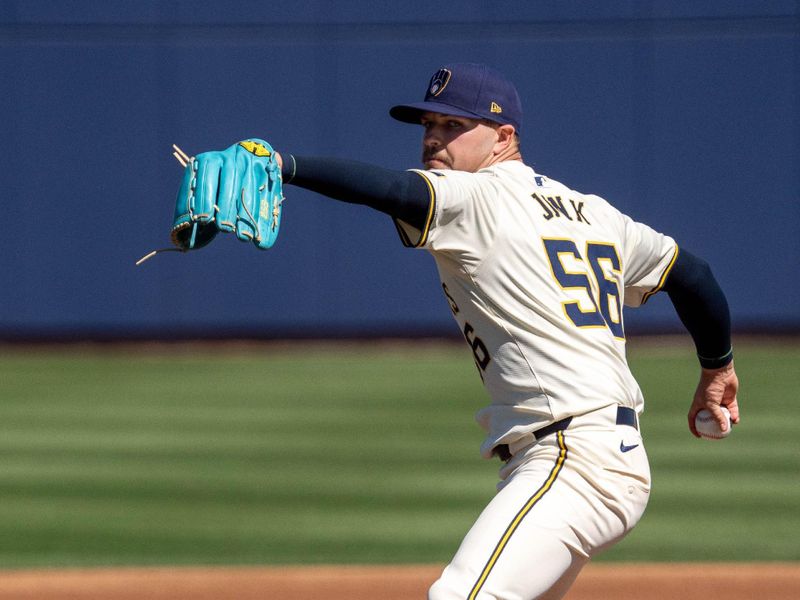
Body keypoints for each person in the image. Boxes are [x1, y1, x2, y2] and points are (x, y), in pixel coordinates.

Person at [190, 63, 741, 599]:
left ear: (504, 137)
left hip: (575, 460)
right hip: (588, 455)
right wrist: (718, 367)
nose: (434, 139)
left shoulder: (478, 197)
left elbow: (394, 191)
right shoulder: (597, 213)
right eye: (428, 125)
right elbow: (694, 275)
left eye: (453, 126)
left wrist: (285, 164)